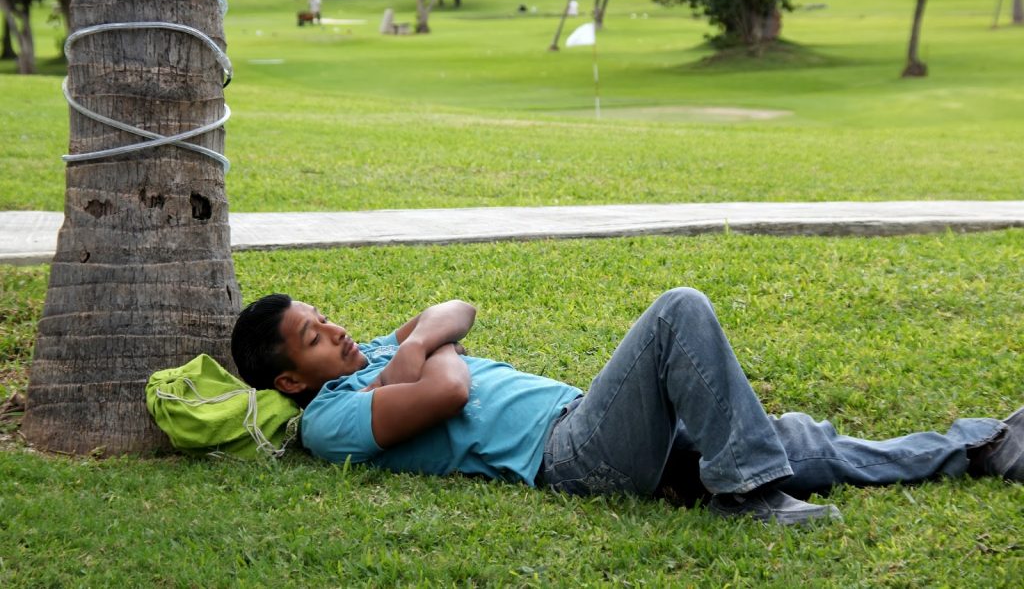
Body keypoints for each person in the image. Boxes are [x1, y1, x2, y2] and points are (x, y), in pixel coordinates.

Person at [231, 288, 1023, 526]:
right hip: (571, 458)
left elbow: (457, 309)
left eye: (322, 317)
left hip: (596, 425)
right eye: (312, 336)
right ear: (291, 380)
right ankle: (746, 494)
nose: (334, 330)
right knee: (678, 311)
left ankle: (983, 446)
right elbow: (450, 388)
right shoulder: (331, 419)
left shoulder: (377, 357)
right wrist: (421, 360)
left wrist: (406, 350)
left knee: (805, 441)